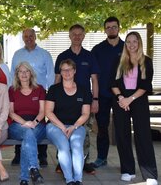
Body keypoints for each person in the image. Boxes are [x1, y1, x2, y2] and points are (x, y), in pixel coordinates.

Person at [111, 32, 158, 185]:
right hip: (121, 101)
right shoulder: (119, 61)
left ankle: (149, 174)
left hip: (138, 100)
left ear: (139, 43)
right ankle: (127, 170)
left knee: (143, 136)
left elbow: (145, 86)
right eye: (129, 42)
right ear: (125, 44)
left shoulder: (147, 61)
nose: (132, 45)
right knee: (122, 136)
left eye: (135, 41)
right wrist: (121, 98)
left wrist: (130, 99)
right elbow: (113, 83)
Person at [54, 24, 99, 175]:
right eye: (74, 34)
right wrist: (55, 100)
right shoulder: (62, 56)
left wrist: (96, 99)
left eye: (80, 34)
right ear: (70, 36)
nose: (77, 37)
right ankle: (62, 162)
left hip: (84, 101)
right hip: (65, 101)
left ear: (84, 36)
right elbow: (57, 80)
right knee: (62, 130)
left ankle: (84, 162)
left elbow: (94, 80)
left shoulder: (90, 56)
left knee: (83, 132)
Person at [10, 28, 54, 167]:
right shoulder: (17, 54)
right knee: (22, 123)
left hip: (40, 94)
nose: (28, 38)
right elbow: (12, 74)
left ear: (35, 37)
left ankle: (43, 156)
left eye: (31, 36)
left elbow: (51, 75)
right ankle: (18, 154)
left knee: (40, 123)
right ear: (23, 38)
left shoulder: (44, 54)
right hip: (21, 92)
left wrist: (51, 95)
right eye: (25, 36)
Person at [46, 59, 92, 185]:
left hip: (77, 126)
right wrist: (62, 127)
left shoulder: (84, 90)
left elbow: (86, 114)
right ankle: (69, 180)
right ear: (60, 72)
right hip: (55, 126)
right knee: (64, 146)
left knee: (77, 146)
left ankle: (78, 179)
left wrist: (73, 127)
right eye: (63, 69)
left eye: (69, 69)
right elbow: (48, 112)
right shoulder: (54, 89)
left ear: (75, 71)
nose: (67, 72)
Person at [91, 16, 124, 168]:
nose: (111, 29)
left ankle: (126, 160)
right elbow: (94, 76)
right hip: (103, 95)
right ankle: (101, 158)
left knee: (122, 128)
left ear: (119, 28)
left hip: (121, 96)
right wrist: (95, 97)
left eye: (114, 27)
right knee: (102, 128)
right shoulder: (98, 49)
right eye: (108, 27)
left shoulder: (126, 48)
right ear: (105, 30)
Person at [9, 62, 45, 185]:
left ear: (31, 73)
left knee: (27, 138)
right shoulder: (12, 90)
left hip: (38, 125)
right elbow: (11, 113)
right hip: (17, 125)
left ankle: (24, 178)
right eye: (21, 71)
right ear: (17, 74)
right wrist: (25, 123)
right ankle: (34, 168)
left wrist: (34, 122)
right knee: (28, 133)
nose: (24, 74)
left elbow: (42, 111)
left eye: (27, 71)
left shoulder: (39, 89)